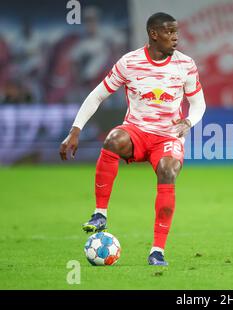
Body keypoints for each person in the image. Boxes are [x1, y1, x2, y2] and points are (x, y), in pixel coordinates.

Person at [59, 12, 206, 266]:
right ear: (154, 34)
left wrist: (188, 121)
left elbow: (198, 103)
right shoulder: (130, 62)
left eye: (176, 32)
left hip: (168, 136)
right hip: (136, 132)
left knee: (168, 169)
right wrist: (75, 129)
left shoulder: (186, 65)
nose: (175, 38)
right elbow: (97, 96)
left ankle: (157, 251)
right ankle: (100, 214)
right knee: (114, 138)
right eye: (170, 32)